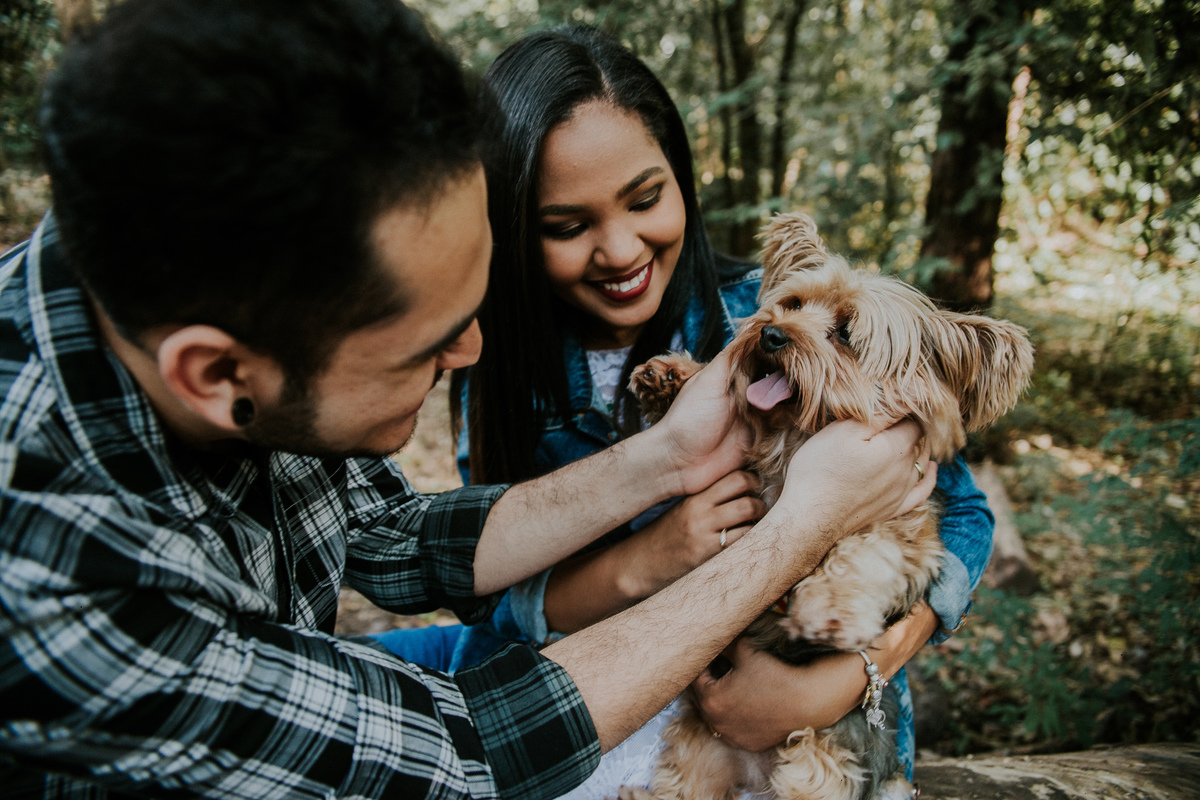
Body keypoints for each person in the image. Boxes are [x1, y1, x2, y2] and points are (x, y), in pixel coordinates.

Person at [0, 2, 936, 799]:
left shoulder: (209, 274)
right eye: (427, 344)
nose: (475, 352)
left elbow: (389, 538)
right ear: (216, 376)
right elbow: (458, 752)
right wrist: (796, 532)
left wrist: (666, 456)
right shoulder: (53, 567)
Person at [388, 27, 995, 788]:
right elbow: (494, 603)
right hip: (595, 694)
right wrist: (648, 559)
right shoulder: (503, 367)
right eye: (567, 227)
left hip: (804, 732)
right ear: (513, 231)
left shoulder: (762, 314)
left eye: (646, 199)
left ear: (682, 178)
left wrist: (853, 675)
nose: (620, 250)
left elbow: (961, 513)